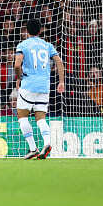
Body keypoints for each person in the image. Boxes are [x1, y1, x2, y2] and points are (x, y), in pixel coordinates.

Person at [14, 19, 65, 159]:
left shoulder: (23, 45)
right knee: (41, 118)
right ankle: (47, 143)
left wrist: (19, 78)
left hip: (29, 85)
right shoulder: (47, 45)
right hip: (44, 86)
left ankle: (33, 148)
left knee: (22, 116)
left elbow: (17, 65)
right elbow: (59, 62)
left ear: (27, 30)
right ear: (40, 30)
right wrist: (61, 81)